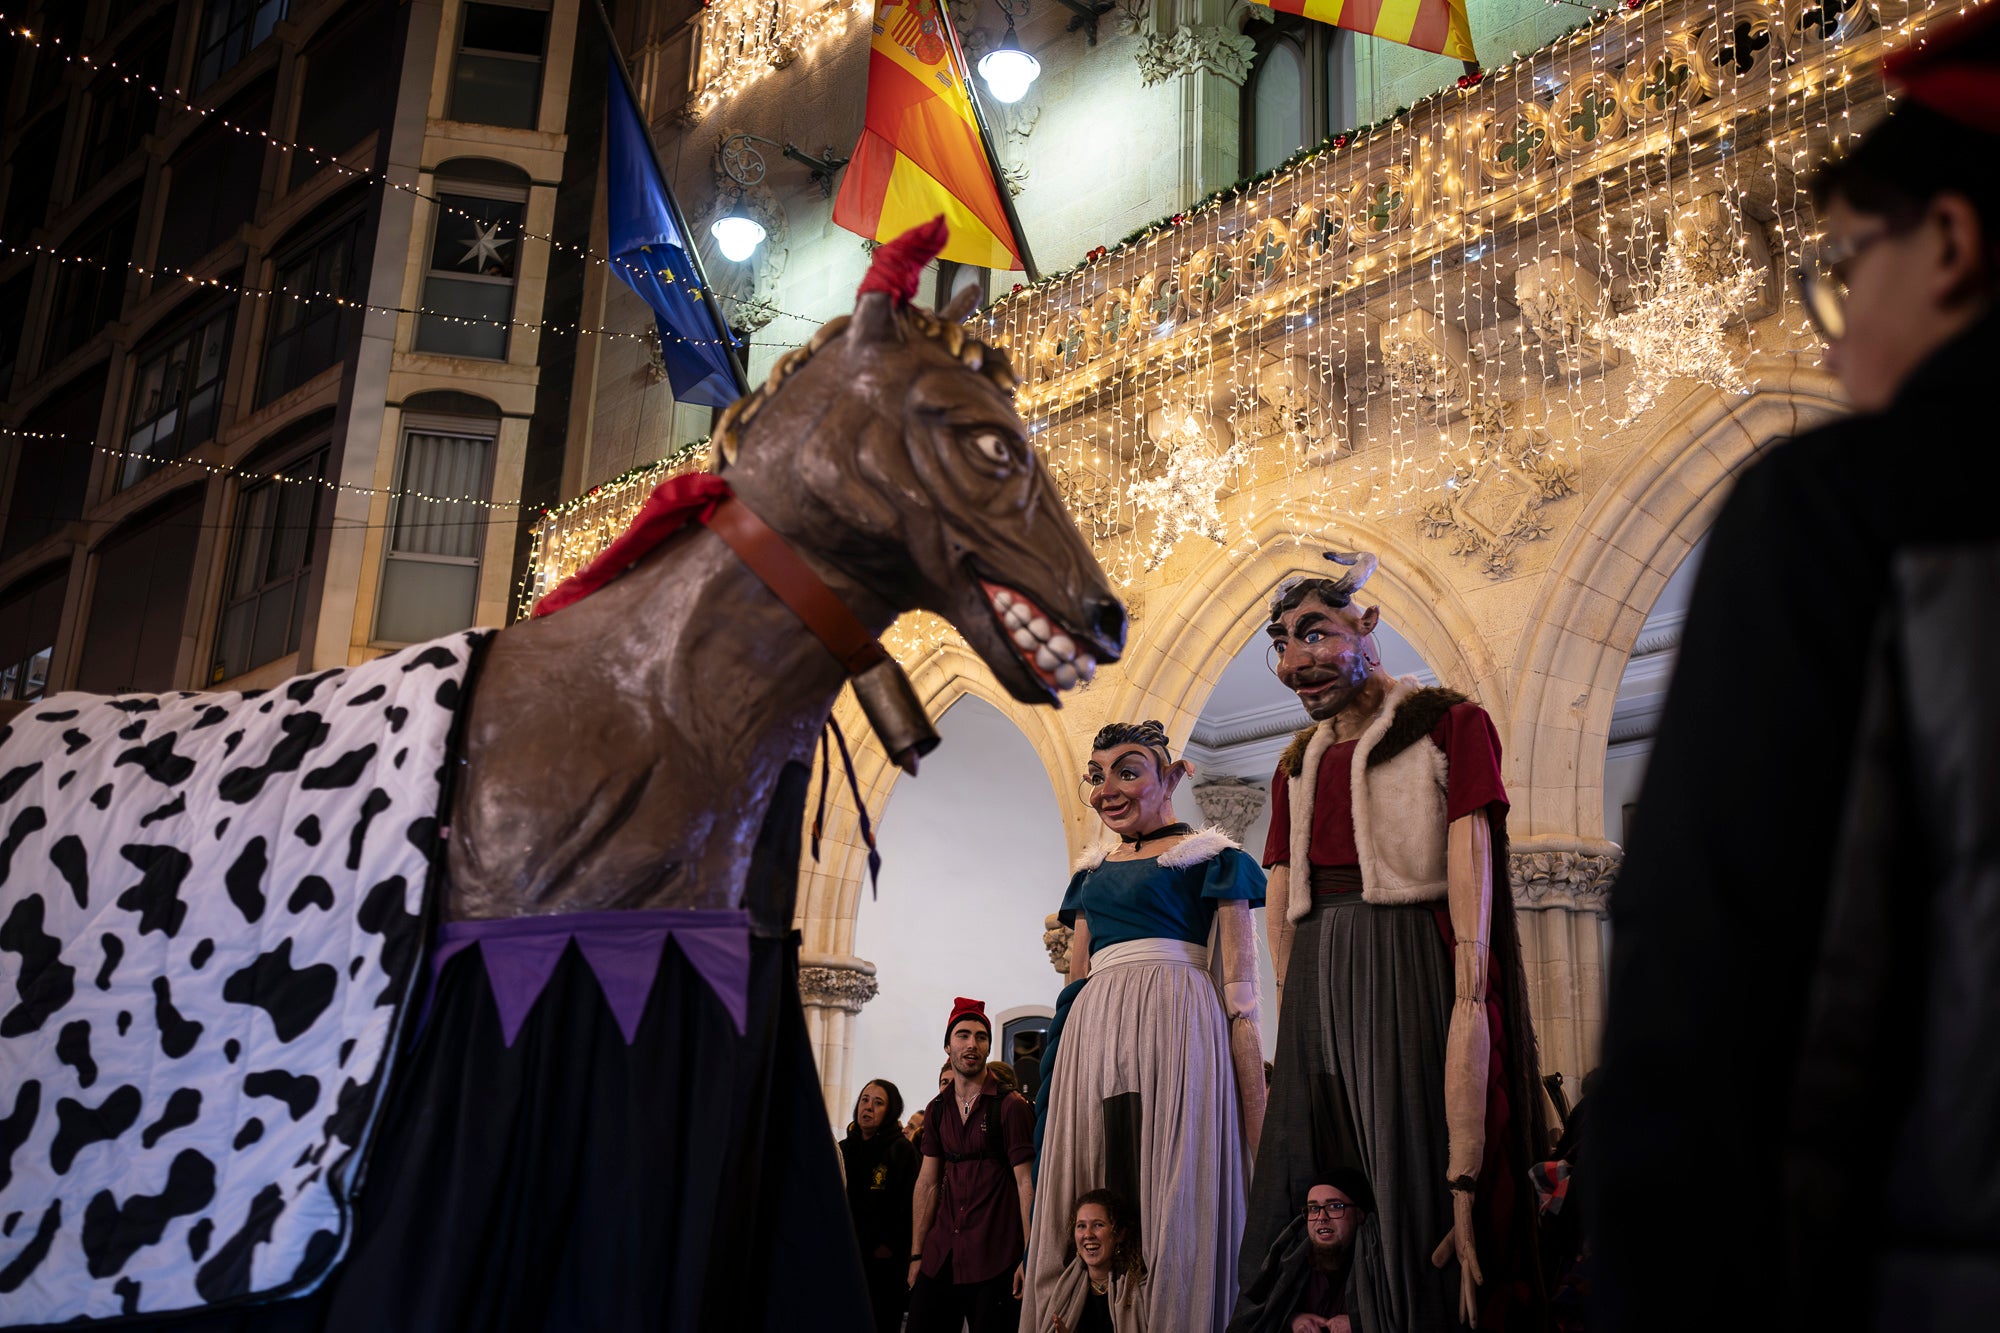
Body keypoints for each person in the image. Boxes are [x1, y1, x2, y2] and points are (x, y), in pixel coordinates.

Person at [1591, 10, 2000, 1330]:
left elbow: (1708, 963)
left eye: (1841, 270)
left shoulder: (1843, 508)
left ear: (1951, 241)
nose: (1828, 339)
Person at [1236, 553, 1546, 1332]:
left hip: (1404, 959)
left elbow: (1473, 879)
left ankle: (1413, 1307)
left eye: (1315, 633)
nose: (1294, 661)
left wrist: (1471, 1004)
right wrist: (1293, 1008)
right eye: (1281, 643)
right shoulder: (1295, 762)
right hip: (1317, 969)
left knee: (1408, 1141)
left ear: (1367, 625)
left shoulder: (1449, 724)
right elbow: (1282, 892)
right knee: (1314, 1151)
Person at [1024, 721, 1267, 1333]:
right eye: (1097, 776)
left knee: (1176, 1173)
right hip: (1094, 1029)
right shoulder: (1091, 874)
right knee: (1091, 1158)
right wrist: (1059, 1063)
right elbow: (1075, 979)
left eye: (1127, 772)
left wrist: (1254, 1110)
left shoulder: (1214, 860)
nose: (1107, 790)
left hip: (1178, 1022)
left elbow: (1241, 991)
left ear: (1174, 777)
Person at [909, 998, 1036, 1333]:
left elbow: (1026, 1183)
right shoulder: (936, 1109)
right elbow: (927, 1183)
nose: (972, 1044)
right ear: (947, 1046)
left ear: (988, 1047)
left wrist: (1029, 1258)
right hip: (942, 1253)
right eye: (963, 1035)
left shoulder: (1010, 1106)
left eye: (981, 1037)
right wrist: (917, 1255)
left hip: (996, 1255)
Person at [1229, 1172, 1373, 1333]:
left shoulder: (1375, 1266)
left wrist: (1362, 1324)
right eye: (1313, 1208)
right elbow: (1262, 1313)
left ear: (1359, 1214)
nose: (1321, 1217)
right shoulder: (1293, 1262)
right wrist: (1292, 1319)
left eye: (1335, 1206)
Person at [844, 1079, 921, 1333]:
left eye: (878, 1103)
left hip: (884, 1263)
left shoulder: (901, 1151)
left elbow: (908, 1206)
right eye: (864, 1100)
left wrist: (888, 1245)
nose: (868, 1107)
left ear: (891, 1111)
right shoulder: (844, 1148)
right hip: (847, 1256)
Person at [1044, 1188, 1147, 1333]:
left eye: (1098, 1225)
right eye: (1081, 1226)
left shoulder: (1139, 1291)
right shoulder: (1064, 1291)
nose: (1088, 1234)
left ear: (1119, 1234)